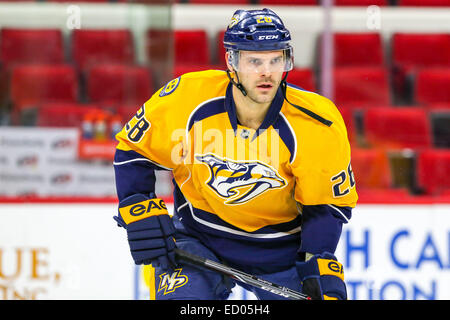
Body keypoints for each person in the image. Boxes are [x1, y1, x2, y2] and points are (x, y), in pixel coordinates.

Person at [113, 8, 358, 300]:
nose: (267, 72)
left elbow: (326, 206)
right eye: (254, 60)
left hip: (281, 255)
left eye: (275, 59)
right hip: (198, 240)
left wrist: (318, 262)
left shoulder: (317, 123)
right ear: (232, 61)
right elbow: (133, 150)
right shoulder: (187, 98)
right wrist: (139, 208)